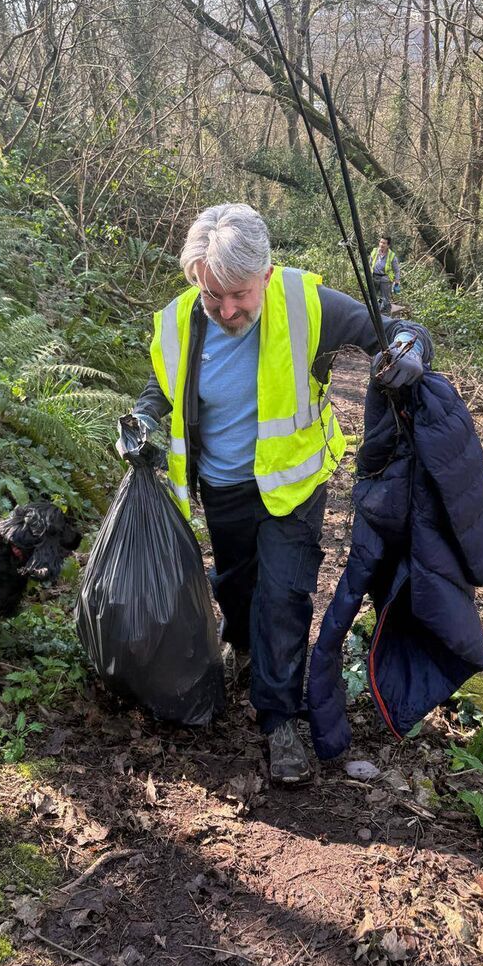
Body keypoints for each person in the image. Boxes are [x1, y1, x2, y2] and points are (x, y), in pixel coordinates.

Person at [123, 204, 433, 785]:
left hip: (294, 488)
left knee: (284, 596)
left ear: (265, 275)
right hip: (223, 488)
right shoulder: (180, 321)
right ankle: (242, 648)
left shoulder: (305, 302)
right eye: (212, 295)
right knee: (236, 588)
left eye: (238, 294)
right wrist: (142, 417)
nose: (226, 309)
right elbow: (159, 387)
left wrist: (409, 353)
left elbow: (391, 332)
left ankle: (279, 719)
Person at [370, 235, 401, 313]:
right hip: (374, 277)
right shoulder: (374, 251)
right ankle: (372, 312)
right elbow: (369, 263)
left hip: (385, 278)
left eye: (384, 243)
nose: (381, 245)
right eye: (380, 242)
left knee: (385, 298)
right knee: (372, 296)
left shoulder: (392, 256)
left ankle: (384, 315)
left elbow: (396, 270)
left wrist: (397, 280)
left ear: (388, 245)